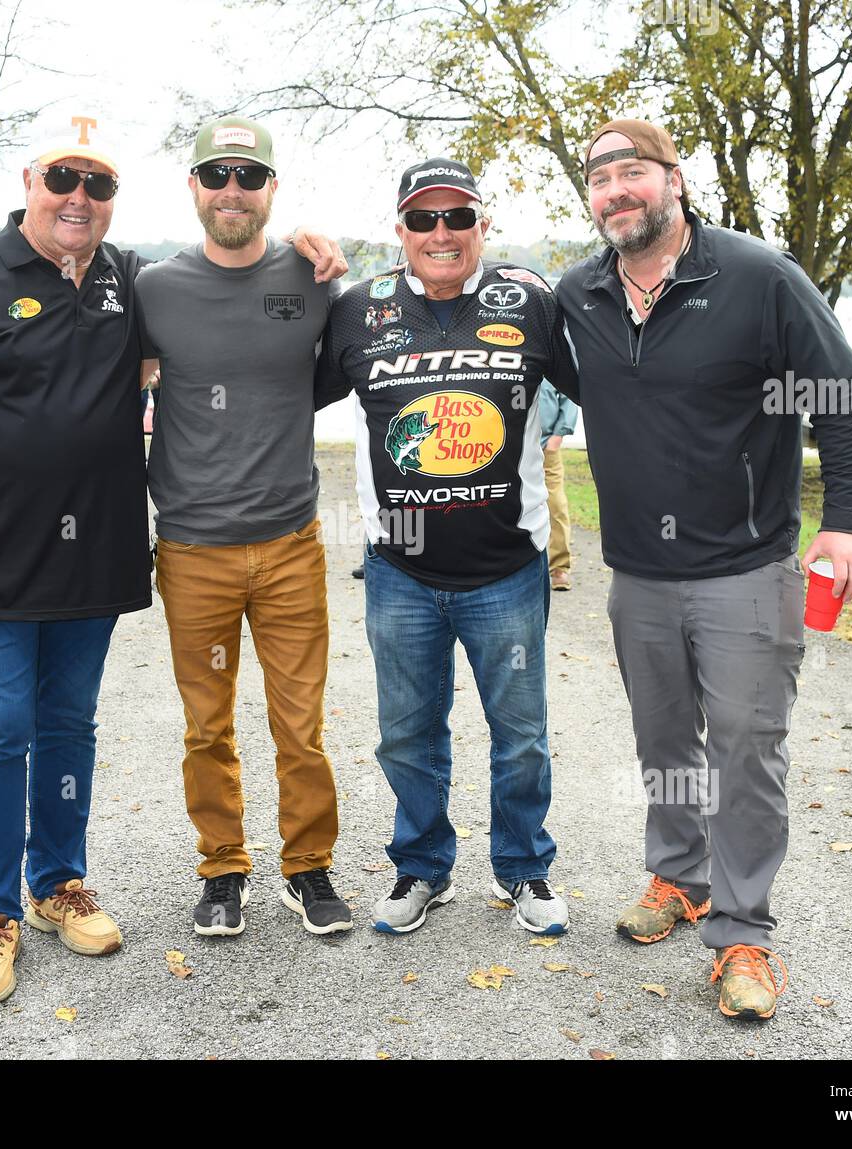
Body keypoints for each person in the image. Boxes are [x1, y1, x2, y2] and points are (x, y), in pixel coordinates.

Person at [0, 113, 348, 1004]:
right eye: (64, 178)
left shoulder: (126, 280)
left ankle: (57, 882)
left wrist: (308, 242)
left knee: (68, 726)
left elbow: (228, 272)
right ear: (29, 181)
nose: (79, 198)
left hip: (94, 554)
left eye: (98, 186)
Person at [556, 118, 852, 1021]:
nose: (616, 190)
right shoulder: (582, 291)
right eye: (600, 177)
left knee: (744, 751)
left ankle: (743, 933)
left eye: (632, 172)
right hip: (639, 575)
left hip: (747, 567)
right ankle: (681, 876)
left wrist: (845, 524)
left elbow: (841, 397)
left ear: (674, 179)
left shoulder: (757, 277)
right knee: (666, 745)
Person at [316, 158, 577, 937]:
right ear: (399, 230)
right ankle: (422, 866)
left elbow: (621, 388)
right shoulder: (358, 309)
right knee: (407, 731)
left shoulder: (530, 300)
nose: (441, 233)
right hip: (400, 570)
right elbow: (272, 387)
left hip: (506, 569)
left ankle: (525, 868)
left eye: (457, 217)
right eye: (423, 219)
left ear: (482, 226)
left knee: (521, 735)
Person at [135, 117, 353, 938]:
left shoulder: (312, 273)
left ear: (271, 188)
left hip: (292, 540)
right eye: (217, 174)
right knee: (208, 722)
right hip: (193, 547)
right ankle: (223, 868)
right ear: (193, 187)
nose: (233, 189)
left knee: (301, 720)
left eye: (249, 176)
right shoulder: (154, 287)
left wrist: (324, 249)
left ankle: (309, 867)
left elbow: (343, 365)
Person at [539, 378, 578, 590]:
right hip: (514, 449)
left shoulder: (550, 356)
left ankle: (559, 568)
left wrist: (557, 437)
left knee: (556, 506)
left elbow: (569, 398)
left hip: (547, 447)